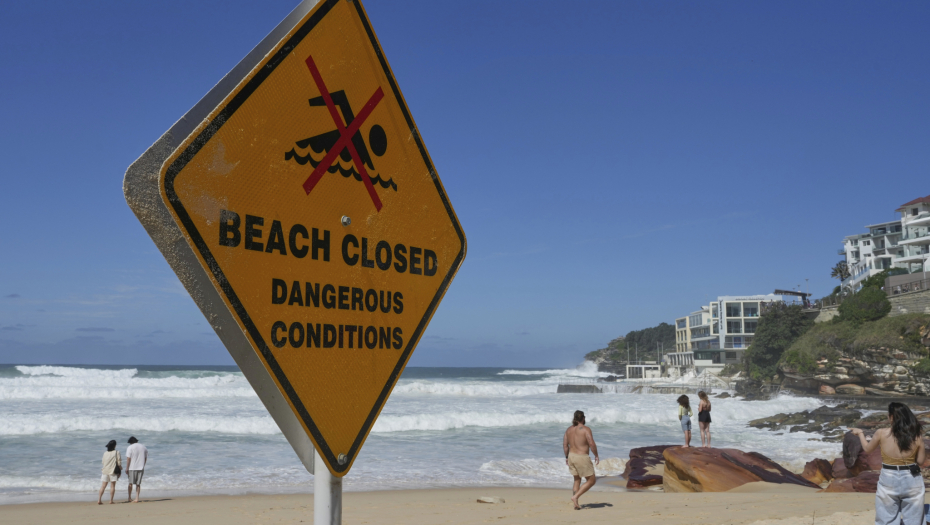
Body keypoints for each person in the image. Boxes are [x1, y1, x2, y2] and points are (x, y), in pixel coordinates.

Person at [851, 402, 927, 525]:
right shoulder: (916, 436)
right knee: (914, 519)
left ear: (892, 417)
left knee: (886, 517)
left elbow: (867, 449)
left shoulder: (881, 433)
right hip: (911, 478)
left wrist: (860, 433)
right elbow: (920, 461)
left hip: (889, 477)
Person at [562, 410, 599, 510]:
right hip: (581, 457)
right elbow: (591, 444)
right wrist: (596, 455)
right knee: (591, 480)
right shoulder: (586, 429)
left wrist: (566, 457)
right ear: (583, 418)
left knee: (577, 480)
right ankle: (575, 497)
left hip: (571, 456)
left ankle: (576, 504)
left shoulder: (568, 430)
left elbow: (565, 445)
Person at [97, 440, 121, 505]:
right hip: (113, 471)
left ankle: (99, 499)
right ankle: (111, 500)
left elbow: (103, 462)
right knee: (112, 486)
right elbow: (119, 463)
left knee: (103, 486)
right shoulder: (117, 452)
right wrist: (120, 470)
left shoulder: (105, 453)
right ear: (114, 446)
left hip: (105, 471)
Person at [125, 436, 148, 503]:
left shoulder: (130, 447)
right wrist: (143, 465)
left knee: (130, 483)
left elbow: (128, 458)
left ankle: (129, 498)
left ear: (130, 442)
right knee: (138, 484)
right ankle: (137, 498)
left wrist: (127, 468)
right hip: (141, 467)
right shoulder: (144, 447)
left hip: (132, 468)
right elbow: (145, 458)